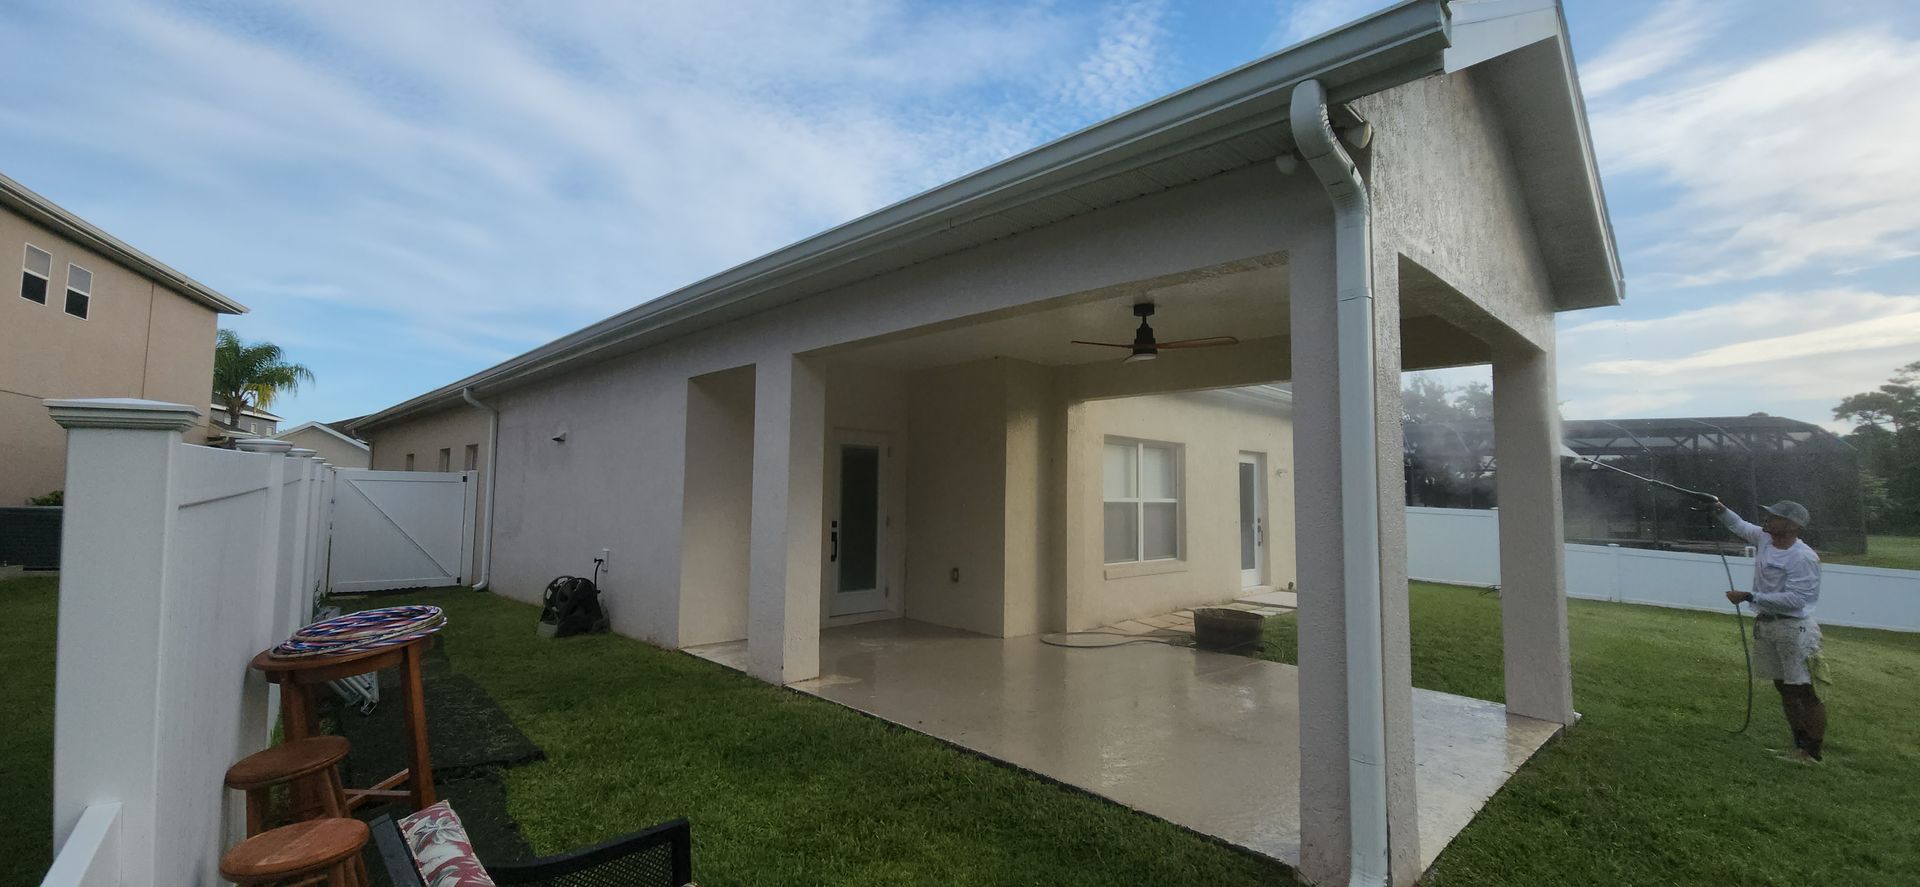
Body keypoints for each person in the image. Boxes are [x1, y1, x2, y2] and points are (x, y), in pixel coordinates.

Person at [1711, 498, 1827, 763]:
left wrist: (1751, 596)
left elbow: (1798, 599)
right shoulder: (1764, 539)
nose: (1767, 519)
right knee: (1784, 687)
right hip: (1768, 625)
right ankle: (1798, 745)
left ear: (1792, 525)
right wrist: (1720, 509)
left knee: (1805, 691)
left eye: (1774, 517)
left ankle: (1812, 752)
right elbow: (1739, 526)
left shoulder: (1803, 557)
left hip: (1794, 629)